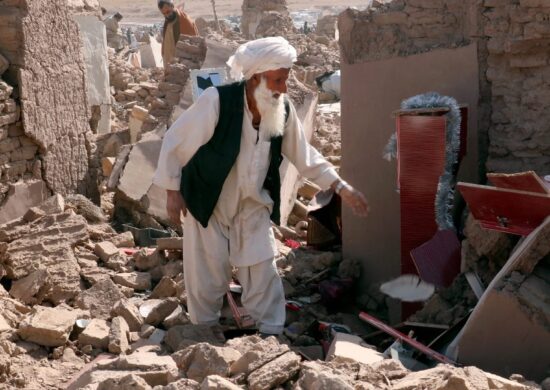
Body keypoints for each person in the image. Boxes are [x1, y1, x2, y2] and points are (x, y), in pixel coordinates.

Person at [153, 37, 368, 336]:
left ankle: (271, 336)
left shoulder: (283, 110)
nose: (283, 88)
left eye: (285, 80)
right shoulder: (218, 101)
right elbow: (176, 142)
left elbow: (304, 155)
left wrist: (340, 185)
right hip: (209, 201)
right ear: (256, 77)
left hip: (253, 205)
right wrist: (172, 192)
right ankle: (203, 335)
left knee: (263, 273)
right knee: (207, 274)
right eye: (277, 80)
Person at [158, 0, 199, 67]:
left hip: (182, 62)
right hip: (169, 61)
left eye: (168, 12)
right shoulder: (168, 20)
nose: (167, 15)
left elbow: (192, 45)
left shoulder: (185, 20)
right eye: (164, 14)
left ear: (172, 6)